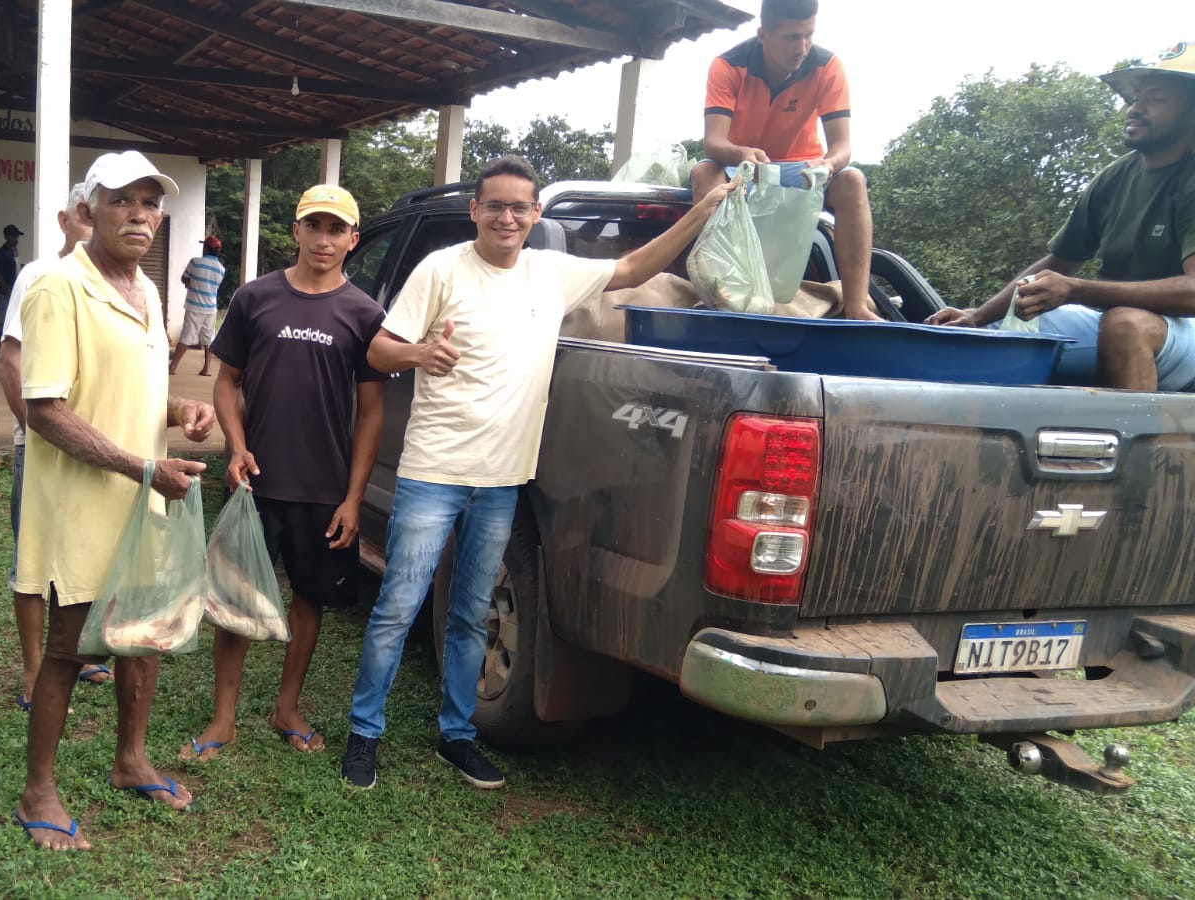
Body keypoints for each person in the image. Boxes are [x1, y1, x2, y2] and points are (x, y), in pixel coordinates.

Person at [340, 155, 733, 791]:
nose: (507, 216)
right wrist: (418, 352)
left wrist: (704, 212)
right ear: (475, 210)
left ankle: (457, 737)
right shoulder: (442, 268)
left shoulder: (552, 274)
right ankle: (364, 736)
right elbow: (379, 348)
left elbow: (633, 269)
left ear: (535, 214)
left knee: (470, 613)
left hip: (502, 481)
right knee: (398, 607)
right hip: (433, 472)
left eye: (520, 206)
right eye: (494, 205)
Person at [13, 150, 215, 850]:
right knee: (67, 652)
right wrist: (141, 467)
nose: (140, 214)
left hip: (140, 501)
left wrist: (180, 410)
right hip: (80, 509)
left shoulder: (148, 294)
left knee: (144, 637)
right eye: (123, 200)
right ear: (87, 210)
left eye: (151, 203)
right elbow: (46, 409)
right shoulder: (56, 287)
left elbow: (133, 395)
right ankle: (38, 786)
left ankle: (131, 760)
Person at [182, 185, 384, 762]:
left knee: (310, 599)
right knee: (236, 599)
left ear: (352, 239)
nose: (324, 239)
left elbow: (371, 413)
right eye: (314, 226)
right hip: (257, 481)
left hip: (324, 490)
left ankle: (286, 707)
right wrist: (237, 447)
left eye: (336, 229)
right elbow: (227, 382)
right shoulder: (254, 298)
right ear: (296, 231)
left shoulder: (365, 314)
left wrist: (353, 497)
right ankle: (223, 718)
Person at [928, 44, 1195, 392]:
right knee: (1004, 328)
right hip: (1110, 319)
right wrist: (977, 317)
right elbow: (1059, 262)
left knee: (1125, 324)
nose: (1135, 109)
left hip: (1180, 328)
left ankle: (1139, 442)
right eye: (1136, 97)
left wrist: (1077, 290)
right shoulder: (1116, 177)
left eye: (1156, 98)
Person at [688, 0, 879, 321]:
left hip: (801, 169)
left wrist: (829, 165)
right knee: (705, 174)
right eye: (792, 37)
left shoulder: (828, 66)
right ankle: (716, 295)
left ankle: (857, 306)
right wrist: (741, 153)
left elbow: (842, 148)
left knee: (852, 181)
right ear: (764, 34)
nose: (802, 47)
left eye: (809, 36)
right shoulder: (728, 65)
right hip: (744, 167)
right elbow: (714, 142)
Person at [0, 183, 105, 710]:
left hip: (96, 450)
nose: (92, 226)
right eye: (85, 216)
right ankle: (33, 669)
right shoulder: (40, 276)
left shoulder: (121, 285)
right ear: (67, 220)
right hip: (41, 445)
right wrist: (36, 433)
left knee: (87, 552)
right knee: (33, 560)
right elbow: (9, 361)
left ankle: (81, 652)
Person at [169, 236, 224, 376]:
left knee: (187, 336)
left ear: (206, 248)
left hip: (195, 306)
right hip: (211, 308)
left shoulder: (195, 262)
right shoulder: (221, 269)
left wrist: (190, 283)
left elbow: (184, 278)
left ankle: (173, 367)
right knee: (208, 339)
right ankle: (207, 369)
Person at [0, 223, 23, 339]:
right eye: (14, 236)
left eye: (17, 236)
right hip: (3, 292)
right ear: (7, 236)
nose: (16, 239)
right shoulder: (1, 253)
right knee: (2, 319)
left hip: (13, 290)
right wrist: (7, 290)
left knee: (13, 318)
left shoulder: (14, 252)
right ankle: (0, 345)